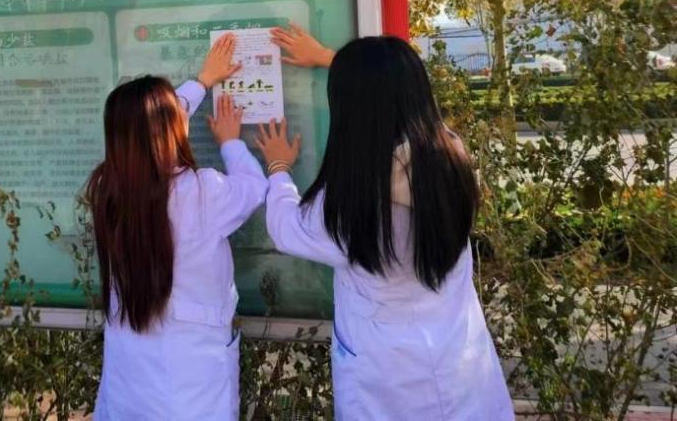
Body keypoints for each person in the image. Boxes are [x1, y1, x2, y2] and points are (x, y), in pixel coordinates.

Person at [256, 28, 514, 421]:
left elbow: (286, 228)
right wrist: (329, 58)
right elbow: (388, 93)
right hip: (459, 368)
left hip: (387, 381)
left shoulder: (350, 205)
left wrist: (278, 167)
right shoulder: (451, 159)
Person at [88, 34, 267, 421]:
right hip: (192, 386)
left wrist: (202, 82)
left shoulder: (108, 191)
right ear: (172, 129)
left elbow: (144, 127)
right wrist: (231, 143)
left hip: (129, 383)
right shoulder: (204, 192)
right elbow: (254, 188)